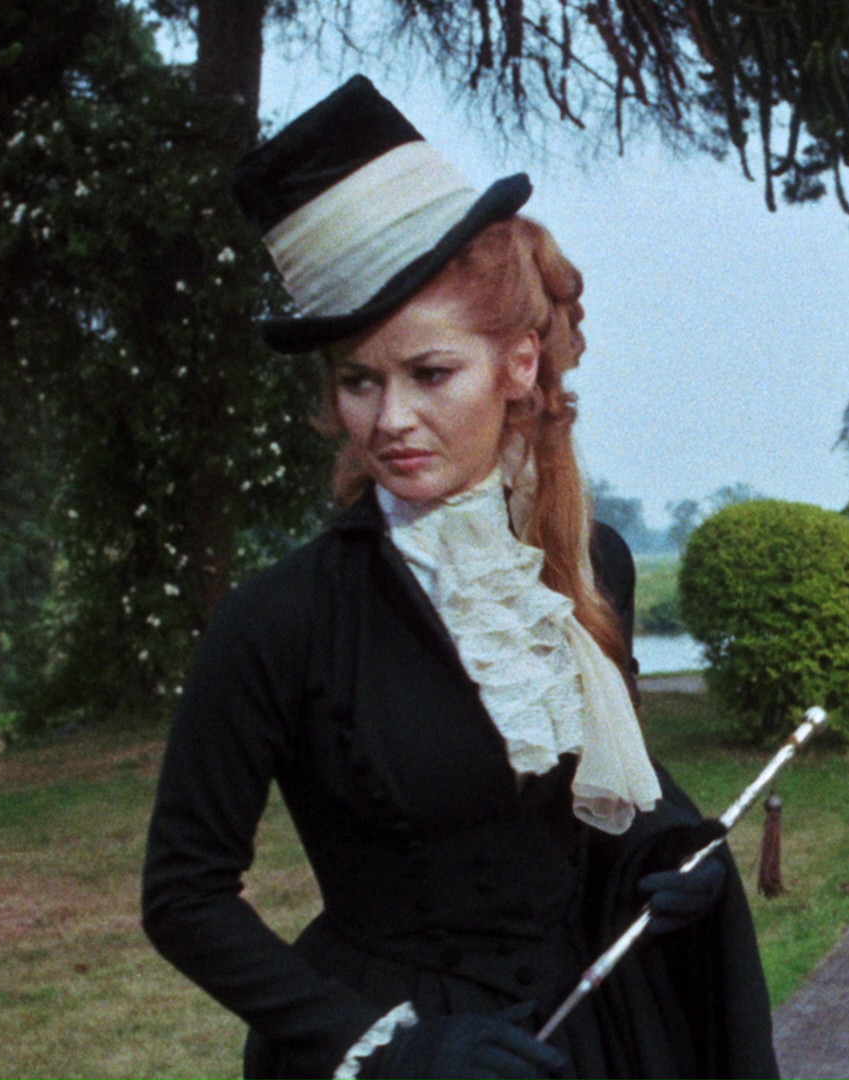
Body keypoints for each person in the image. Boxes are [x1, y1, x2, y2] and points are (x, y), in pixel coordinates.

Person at [140, 76, 781, 1080]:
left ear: (518, 365)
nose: (390, 419)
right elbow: (184, 896)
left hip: (587, 1038)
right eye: (359, 380)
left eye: (429, 374)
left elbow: (595, 805)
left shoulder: (591, 562)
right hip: (399, 1051)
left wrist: (663, 860)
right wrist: (386, 1048)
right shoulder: (279, 621)